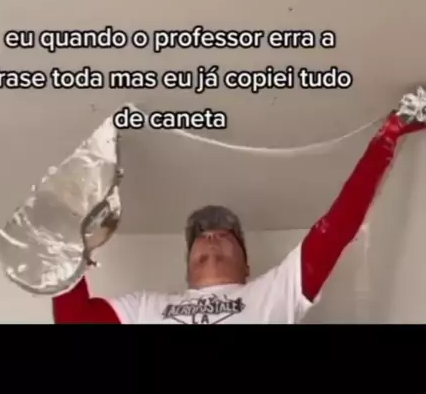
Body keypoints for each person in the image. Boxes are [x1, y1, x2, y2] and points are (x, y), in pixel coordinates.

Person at [53, 110, 425, 324]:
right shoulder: (147, 309)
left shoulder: (272, 294)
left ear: (248, 268)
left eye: (224, 234)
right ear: (187, 268)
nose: (210, 237)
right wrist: (67, 232)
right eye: (202, 236)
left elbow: (336, 228)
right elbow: (75, 319)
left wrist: (389, 135)